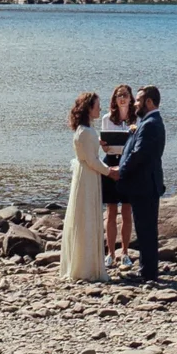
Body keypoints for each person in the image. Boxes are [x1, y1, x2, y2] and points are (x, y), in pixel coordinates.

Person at [59, 92, 109, 284]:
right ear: (89, 108)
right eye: (97, 105)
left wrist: (99, 143)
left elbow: (89, 154)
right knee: (86, 215)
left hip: (85, 175)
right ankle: (85, 266)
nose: (100, 109)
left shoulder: (85, 130)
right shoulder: (86, 132)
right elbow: (92, 161)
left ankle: (82, 263)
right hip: (88, 176)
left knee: (84, 215)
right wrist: (110, 171)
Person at [120, 85, 166, 284]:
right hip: (148, 183)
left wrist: (120, 171)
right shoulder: (151, 121)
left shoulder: (149, 124)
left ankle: (147, 272)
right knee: (145, 228)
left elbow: (139, 154)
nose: (135, 104)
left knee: (145, 229)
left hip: (145, 184)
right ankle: (147, 269)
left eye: (138, 100)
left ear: (149, 102)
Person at [99, 86, 137, 274]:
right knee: (111, 209)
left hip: (128, 165)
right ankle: (110, 253)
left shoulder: (136, 119)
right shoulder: (107, 119)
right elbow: (106, 148)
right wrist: (104, 147)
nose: (122, 98)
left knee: (127, 209)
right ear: (114, 99)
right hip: (111, 163)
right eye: (118, 95)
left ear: (131, 98)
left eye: (125, 95)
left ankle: (125, 252)